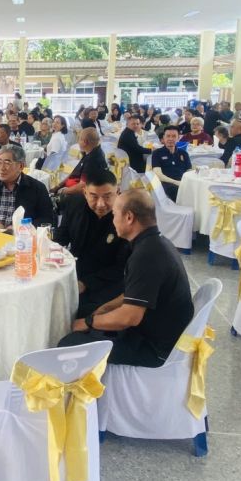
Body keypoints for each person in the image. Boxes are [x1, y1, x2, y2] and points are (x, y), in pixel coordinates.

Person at [58, 189, 194, 366]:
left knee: (67, 345)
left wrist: (88, 322)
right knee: (87, 309)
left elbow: (129, 318)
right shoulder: (155, 243)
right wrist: (106, 308)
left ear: (129, 217)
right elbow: (135, 294)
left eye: (115, 214)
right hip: (153, 328)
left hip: (154, 348)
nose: (113, 220)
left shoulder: (147, 256)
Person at [54, 168, 129, 318]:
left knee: (77, 311)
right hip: (75, 272)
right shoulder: (74, 204)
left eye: (107, 196)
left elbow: (123, 267)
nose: (100, 204)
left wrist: (85, 283)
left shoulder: (127, 218)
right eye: (94, 196)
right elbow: (61, 238)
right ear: (85, 193)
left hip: (108, 282)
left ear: (117, 192)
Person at [0, 144, 54, 229]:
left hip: (22, 235)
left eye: (7, 163)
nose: (2, 168)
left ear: (21, 166)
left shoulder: (37, 188)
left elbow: (47, 219)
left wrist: (22, 227)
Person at [52, 128, 107, 194]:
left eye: (79, 139)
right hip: (71, 184)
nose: (78, 142)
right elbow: (74, 172)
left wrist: (62, 191)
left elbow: (82, 187)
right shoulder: (91, 151)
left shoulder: (92, 160)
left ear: (85, 142)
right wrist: (58, 186)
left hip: (78, 194)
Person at [151, 126, 192, 201]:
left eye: (174, 136)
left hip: (182, 182)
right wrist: (176, 182)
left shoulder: (183, 153)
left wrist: (185, 182)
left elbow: (189, 170)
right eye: (168, 136)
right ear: (164, 138)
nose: (170, 139)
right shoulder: (157, 153)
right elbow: (159, 175)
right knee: (176, 190)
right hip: (166, 183)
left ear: (178, 138)